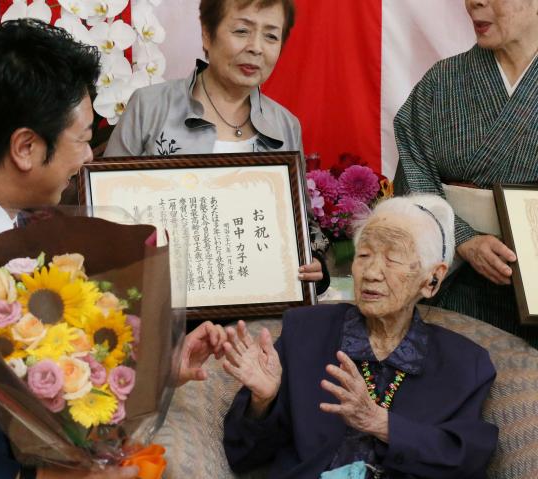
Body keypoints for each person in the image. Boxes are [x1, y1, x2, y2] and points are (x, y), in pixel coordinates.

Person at [0, 19, 226, 479]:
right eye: (83, 138)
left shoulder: (27, 219)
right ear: (26, 147)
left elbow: (41, 355)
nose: (90, 156)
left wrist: (151, 369)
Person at [222, 194, 498, 478]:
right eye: (364, 255)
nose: (371, 272)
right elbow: (242, 454)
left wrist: (381, 424)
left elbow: (466, 460)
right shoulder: (306, 333)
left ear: (432, 280)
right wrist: (263, 402)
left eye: (392, 258)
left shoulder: (465, 365)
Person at [105, 0, 329, 293]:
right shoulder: (149, 107)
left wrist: (316, 263)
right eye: (241, 31)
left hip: (256, 310)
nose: (256, 47)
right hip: (158, 305)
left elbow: (304, 223)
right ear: (207, 36)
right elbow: (104, 213)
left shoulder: (285, 125)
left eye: (271, 36)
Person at [393, 0, 538, 346]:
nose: (475, 3)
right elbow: (413, 177)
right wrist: (463, 238)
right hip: (455, 292)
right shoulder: (442, 82)